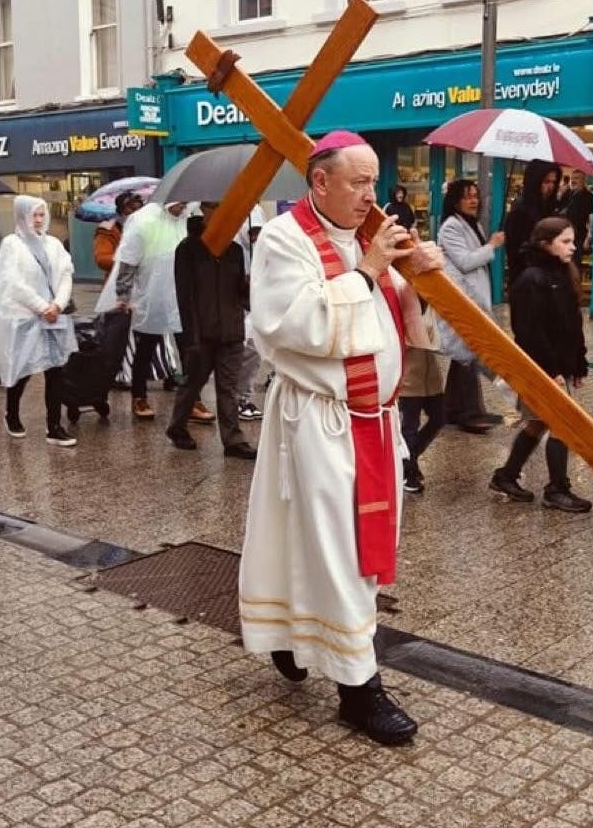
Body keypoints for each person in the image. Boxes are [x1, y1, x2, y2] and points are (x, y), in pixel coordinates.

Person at [239, 130, 443, 746]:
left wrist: (419, 281)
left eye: (373, 181)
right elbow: (293, 324)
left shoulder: (362, 240)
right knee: (340, 550)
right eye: (358, 182)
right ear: (318, 181)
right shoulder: (283, 239)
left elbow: (387, 318)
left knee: (328, 543)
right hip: (318, 422)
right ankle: (360, 691)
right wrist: (371, 269)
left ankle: (291, 637)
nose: (370, 194)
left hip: (374, 424)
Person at [489, 217, 592, 512]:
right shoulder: (531, 279)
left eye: (573, 241)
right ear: (546, 243)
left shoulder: (563, 273)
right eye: (566, 241)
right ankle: (556, 489)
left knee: (538, 423)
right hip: (541, 370)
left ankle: (506, 475)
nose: (573, 247)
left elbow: (573, 324)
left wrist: (578, 363)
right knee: (562, 424)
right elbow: (530, 332)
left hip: (559, 368)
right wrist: (552, 372)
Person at [0, 195, 80, 446]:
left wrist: (57, 304)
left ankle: (54, 426)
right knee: (22, 370)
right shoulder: (12, 244)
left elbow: (66, 274)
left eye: (41, 214)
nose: (38, 220)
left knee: (56, 371)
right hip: (26, 318)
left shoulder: (54, 244)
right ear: (21, 216)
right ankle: (12, 414)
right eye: (33, 215)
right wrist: (41, 307)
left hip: (54, 317)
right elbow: (13, 282)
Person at [165, 202, 256, 459]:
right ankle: (177, 427)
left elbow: (241, 294)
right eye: (216, 208)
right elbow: (186, 297)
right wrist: (190, 339)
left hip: (231, 331)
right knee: (193, 383)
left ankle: (233, 440)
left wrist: (251, 286)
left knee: (228, 387)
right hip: (200, 333)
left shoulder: (236, 250)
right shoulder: (188, 249)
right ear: (205, 211)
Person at [112, 201, 209, 421]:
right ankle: (139, 396)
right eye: (178, 203)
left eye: (185, 203)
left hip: (183, 297)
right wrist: (123, 295)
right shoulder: (144, 220)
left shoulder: (188, 220)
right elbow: (128, 260)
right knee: (146, 348)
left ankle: (193, 400)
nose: (181, 207)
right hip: (153, 294)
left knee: (190, 351)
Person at [436, 179, 504, 434]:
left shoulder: (472, 224)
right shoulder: (451, 227)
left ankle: (452, 409)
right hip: (462, 299)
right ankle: (470, 414)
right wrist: (492, 245)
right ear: (455, 200)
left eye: (476, 196)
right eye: (468, 197)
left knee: (463, 355)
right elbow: (465, 262)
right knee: (466, 352)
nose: (474, 201)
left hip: (472, 296)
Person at [398, 299, 445, 494]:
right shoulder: (403, 304)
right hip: (409, 380)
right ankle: (410, 473)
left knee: (440, 417)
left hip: (431, 379)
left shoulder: (431, 306)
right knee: (409, 426)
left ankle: (409, 458)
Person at [504, 159, 561, 291]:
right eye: (546, 182)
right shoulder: (521, 210)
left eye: (554, 182)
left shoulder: (549, 208)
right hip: (526, 280)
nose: (550, 187)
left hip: (546, 279)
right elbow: (517, 250)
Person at [236, 204, 267, 422]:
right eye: (252, 231)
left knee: (254, 353)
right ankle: (237, 399)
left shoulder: (265, 247)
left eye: (259, 231)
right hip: (239, 309)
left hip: (259, 308)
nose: (255, 235)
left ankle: (243, 397)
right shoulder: (235, 248)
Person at [93, 191, 141, 275]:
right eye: (132, 208)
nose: (136, 213)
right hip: (117, 281)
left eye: (139, 209)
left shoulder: (143, 227)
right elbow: (102, 259)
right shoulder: (108, 229)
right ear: (121, 209)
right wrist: (128, 262)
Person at [560, 170, 593, 272]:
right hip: (562, 235)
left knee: (573, 267)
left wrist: (588, 238)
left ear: (583, 180)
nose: (573, 181)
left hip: (578, 237)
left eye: (577, 178)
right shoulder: (567, 194)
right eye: (572, 178)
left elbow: (591, 219)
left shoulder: (589, 197)